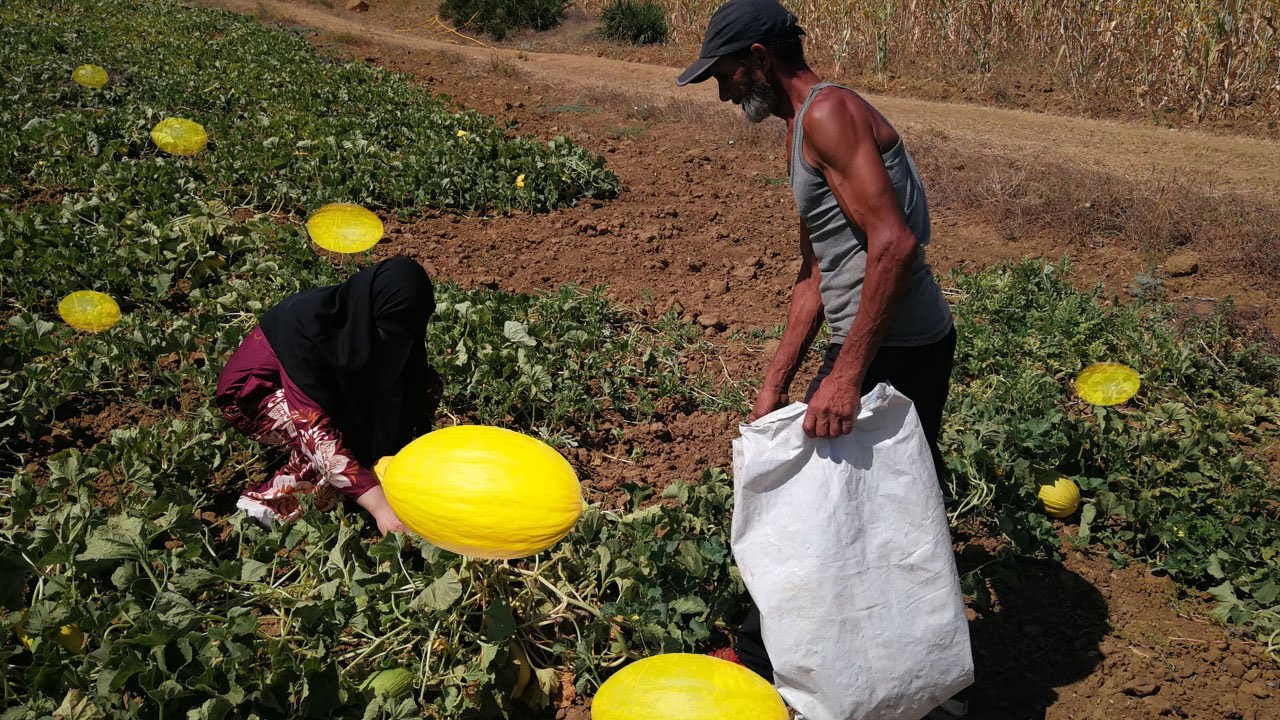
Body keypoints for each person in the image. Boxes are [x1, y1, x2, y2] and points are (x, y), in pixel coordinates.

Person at [677, 1, 965, 715]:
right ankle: (856, 663)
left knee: (843, 508)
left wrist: (843, 375)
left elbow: (893, 245)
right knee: (865, 505)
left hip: (897, 344)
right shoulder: (800, 130)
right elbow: (816, 275)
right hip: (869, 339)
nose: (721, 90)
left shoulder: (831, 115)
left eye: (725, 72)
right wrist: (774, 385)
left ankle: (905, 681)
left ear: (758, 57)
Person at [215, 256, 442, 536]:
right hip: (253, 394)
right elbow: (314, 429)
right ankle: (266, 507)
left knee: (420, 382)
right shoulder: (308, 328)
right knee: (331, 446)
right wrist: (380, 508)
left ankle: (362, 475)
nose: (398, 346)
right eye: (388, 333)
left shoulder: (372, 326)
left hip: (314, 391)